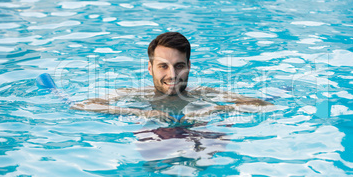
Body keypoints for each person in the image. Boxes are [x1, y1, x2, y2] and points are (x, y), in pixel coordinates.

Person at [71, 32, 273, 124]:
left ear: (189, 66)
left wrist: (217, 109)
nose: (172, 75)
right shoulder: (134, 95)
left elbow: (264, 106)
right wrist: (139, 114)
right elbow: (81, 106)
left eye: (179, 66)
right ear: (150, 68)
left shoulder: (204, 94)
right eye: (163, 66)